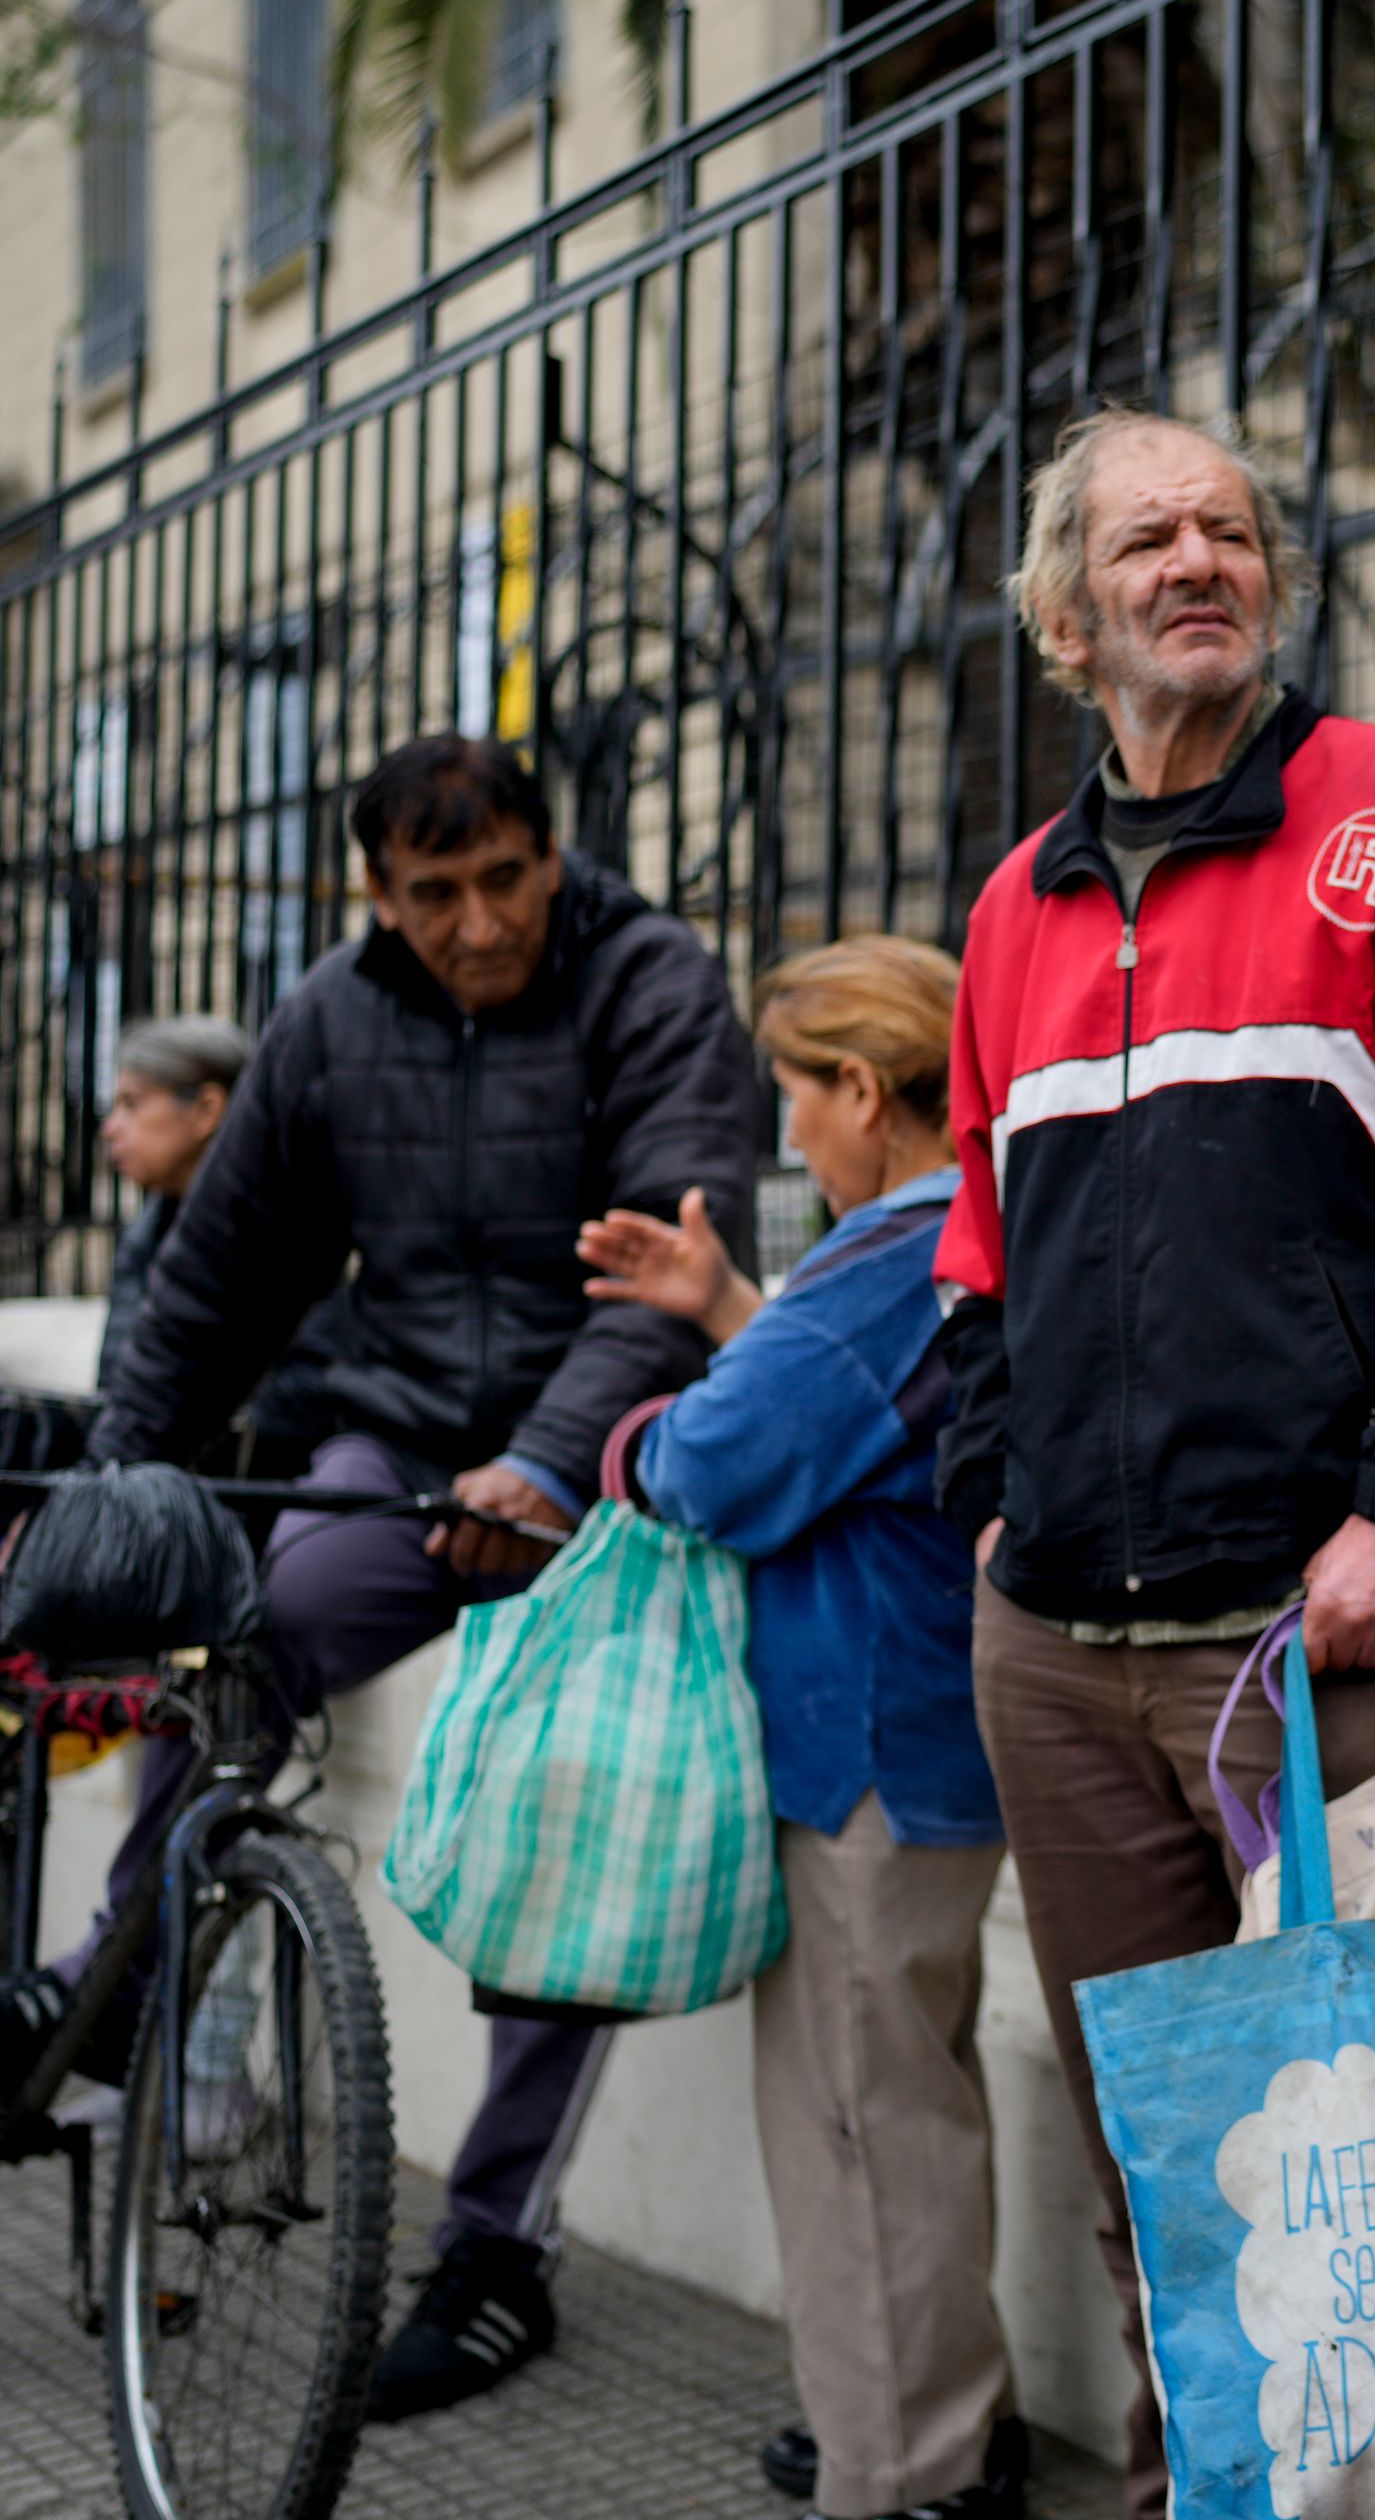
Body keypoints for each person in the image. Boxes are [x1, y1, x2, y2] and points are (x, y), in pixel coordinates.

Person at [0, 734, 768, 2420]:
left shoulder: (652, 981)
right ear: (375, 895)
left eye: (505, 879)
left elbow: (678, 1265)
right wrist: (115, 1479)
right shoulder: (328, 1017)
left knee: (562, 1791)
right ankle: (119, 1977)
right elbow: (216, 1278)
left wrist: (542, 1460)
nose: (478, 922)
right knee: (259, 1619)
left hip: (592, 1464)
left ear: (548, 853)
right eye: (434, 896)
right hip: (389, 1440)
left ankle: (500, 2246)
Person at [935, 407, 1375, 2520]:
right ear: (1067, 614)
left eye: (1229, 527)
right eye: (1146, 538)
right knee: (1169, 2159)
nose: (1198, 559)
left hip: (1316, 1633)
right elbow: (973, 1261)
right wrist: (996, 1494)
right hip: (1058, 1646)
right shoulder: (1010, 914)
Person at [579, 936, 1030, 2520]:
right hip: (927, 1741)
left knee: (858, 2129)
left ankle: (907, 2471)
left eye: (796, 1096)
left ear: (860, 1087)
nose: (788, 1137)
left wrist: (633, 1434)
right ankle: (946, 2425)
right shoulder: (953, 1237)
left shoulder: (893, 1250)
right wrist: (724, 1305)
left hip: (864, 1758)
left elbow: (719, 1463)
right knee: (912, 2100)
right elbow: (847, 1415)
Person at [97, 1015, 347, 1472]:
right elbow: (115, 1382)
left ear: (207, 1110)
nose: (110, 1128)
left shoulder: (290, 1225)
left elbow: (313, 1392)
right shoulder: (146, 1232)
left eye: (131, 1105)